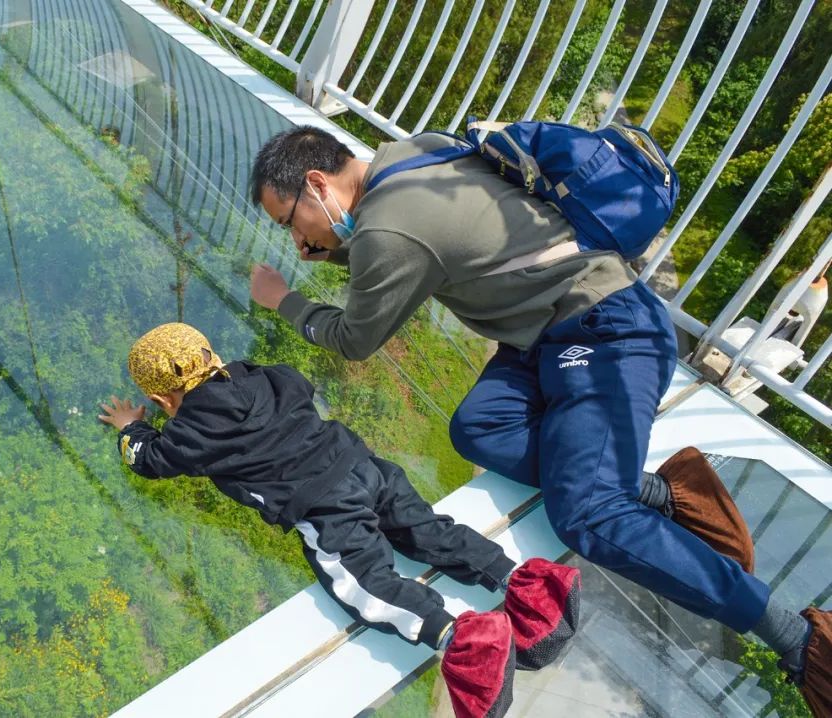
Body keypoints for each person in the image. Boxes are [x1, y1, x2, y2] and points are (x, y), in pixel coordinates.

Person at [247, 125, 830, 716]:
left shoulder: (388, 231)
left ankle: (796, 638)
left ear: (317, 183)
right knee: (479, 429)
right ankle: (655, 490)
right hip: (546, 337)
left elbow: (354, 337)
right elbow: (423, 243)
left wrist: (283, 299)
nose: (297, 236)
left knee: (587, 514)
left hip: (605, 330)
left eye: (290, 220)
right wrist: (341, 245)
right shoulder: (411, 154)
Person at [100, 322, 584, 717]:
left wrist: (131, 428)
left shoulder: (189, 434)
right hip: (366, 468)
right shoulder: (265, 374)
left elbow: (147, 460)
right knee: (430, 530)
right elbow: (300, 386)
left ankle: (462, 640)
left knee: (367, 584)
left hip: (324, 508)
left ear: (164, 402)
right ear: (213, 357)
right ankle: (529, 590)